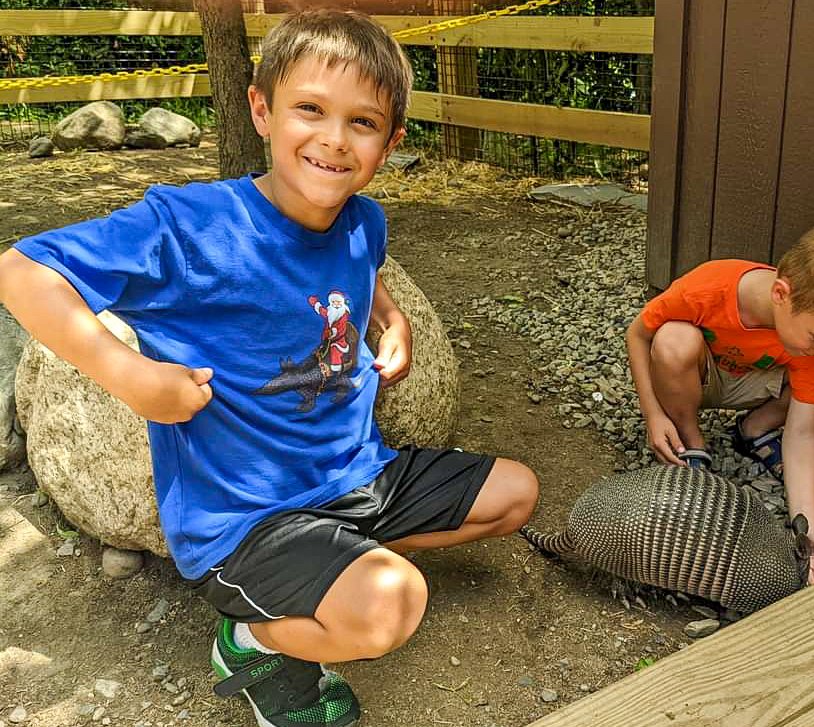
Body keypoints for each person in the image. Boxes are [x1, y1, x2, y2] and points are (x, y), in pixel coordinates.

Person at [0, 10, 538, 727]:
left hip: (358, 474)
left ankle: (336, 561)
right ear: (261, 108)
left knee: (516, 494)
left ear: (391, 141)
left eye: (363, 122)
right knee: (393, 604)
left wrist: (392, 319)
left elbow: (366, 265)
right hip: (250, 515)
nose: (333, 140)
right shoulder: (189, 226)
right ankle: (248, 639)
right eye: (309, 109)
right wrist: (129, 375)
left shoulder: (362, 218)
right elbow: (22, 270)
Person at [625, 218, 814, 585]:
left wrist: (808, 525)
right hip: (701, 378)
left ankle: (755, 429)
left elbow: (802, 433)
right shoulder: (709, 287)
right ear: (781, 295)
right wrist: (653, 415)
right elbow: (638, 335)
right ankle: (691, 442)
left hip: (760, 384)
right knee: (673, 340)